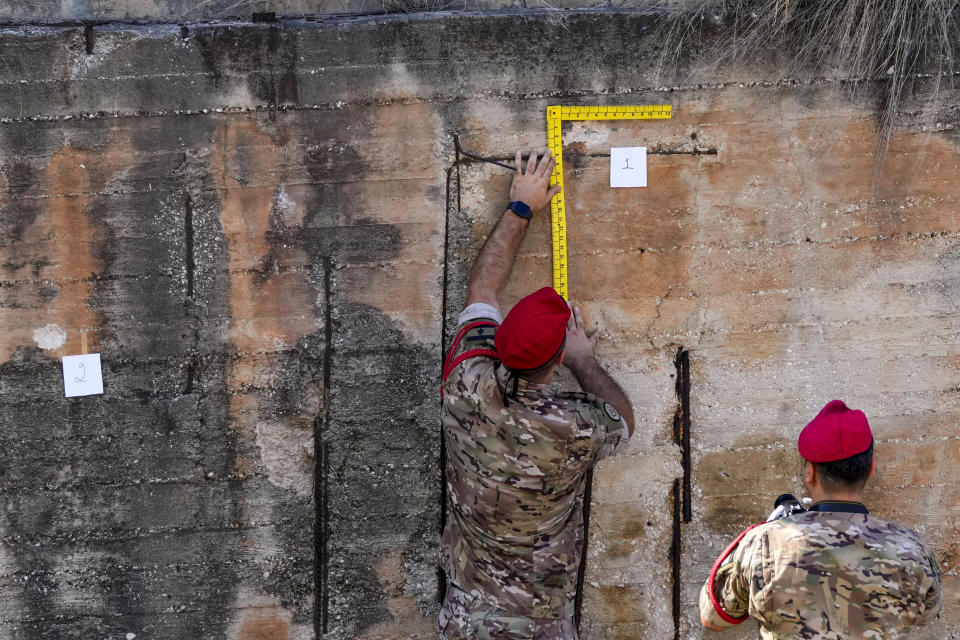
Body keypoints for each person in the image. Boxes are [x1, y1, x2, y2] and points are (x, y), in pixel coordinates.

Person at [437, 148, 635, 640]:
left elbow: (482, 286)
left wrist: (520, 207)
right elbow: (623, 420)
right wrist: (583, 358)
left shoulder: (465, 383)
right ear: (557, 359)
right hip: (538, 622)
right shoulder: (574, 428)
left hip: (466, 615)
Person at [700, 399, 942, 639]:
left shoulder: (763, 543)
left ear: (810, 471)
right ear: (870, 469)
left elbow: (712, 617)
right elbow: (926, 614)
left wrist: (770, 528)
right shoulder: (913, 548)